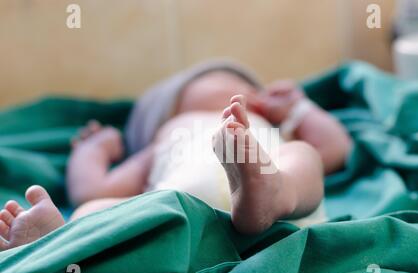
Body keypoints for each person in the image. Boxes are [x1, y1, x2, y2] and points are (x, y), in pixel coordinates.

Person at [0, 60, 352, 251]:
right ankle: (58, 243)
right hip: (174, 215)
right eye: (233, 84)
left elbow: (337, 148)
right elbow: (92, 191)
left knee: (302, 155)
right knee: (95, 210)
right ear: (170, 111)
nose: (257, 95)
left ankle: (272, 193)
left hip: (279, 211)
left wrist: (299, 109)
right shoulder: (163, 139)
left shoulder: (272, 130)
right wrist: (96, 148)